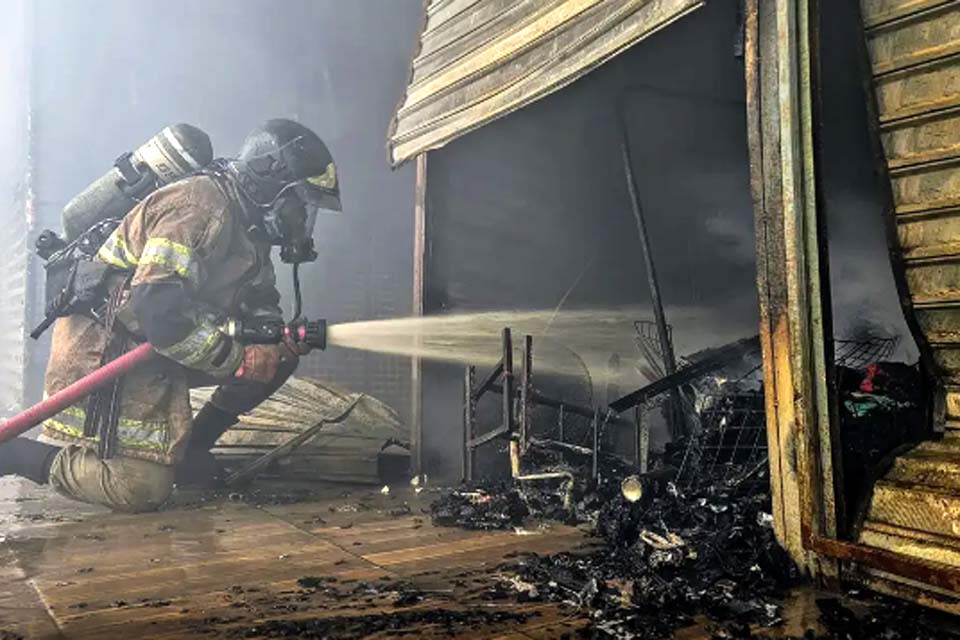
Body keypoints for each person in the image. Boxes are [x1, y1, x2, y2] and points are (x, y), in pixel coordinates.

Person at [0, 119, 341, 512]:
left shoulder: (248, 229)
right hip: (109, 348)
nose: (302, 223)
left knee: (278, 355)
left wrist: (270, 335)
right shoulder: (200, 206)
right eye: (300, 206)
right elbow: (157, 310)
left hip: (160, 344)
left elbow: (261, 295)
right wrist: (237, 357)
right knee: (140, 489)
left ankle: (194, 451)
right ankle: (14, 454)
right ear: (271, 184)